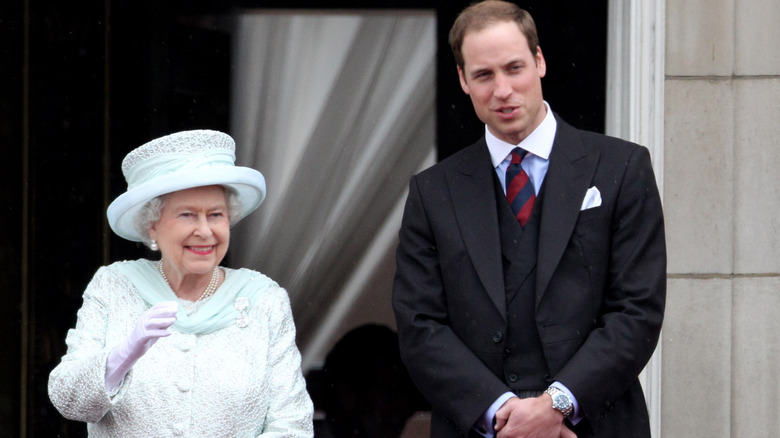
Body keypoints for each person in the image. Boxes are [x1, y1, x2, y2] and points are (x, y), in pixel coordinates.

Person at [392, 2, 666, 438]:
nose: (502, 89)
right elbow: (419, 325)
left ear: (539, 62)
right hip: (480, 429)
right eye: (484, 75)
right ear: (463, 80)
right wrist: (502, 412)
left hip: (596, 424)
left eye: (514, 68)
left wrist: (557, 405)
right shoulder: (432, 191)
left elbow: (637, 310)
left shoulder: (622, 167)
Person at [48, 129, 314, 436]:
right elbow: (69, 401)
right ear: (152, 225)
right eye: (187, 215)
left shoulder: (264, 299)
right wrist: (121, 357)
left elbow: (292, 425)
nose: (204, 231)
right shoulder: (113, 286)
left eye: (216, 214)